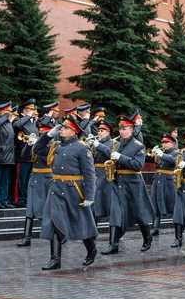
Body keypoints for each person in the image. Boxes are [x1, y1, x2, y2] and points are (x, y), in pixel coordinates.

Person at [33, 114, 97, 270]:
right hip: (56, 189)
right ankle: (55, 259)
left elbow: (89, 174)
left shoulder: (82, 148)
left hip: (73, 190)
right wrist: (48, 135)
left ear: (74, 131)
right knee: (54, 222)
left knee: (81, 223)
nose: (62, 129)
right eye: (62, 127)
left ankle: (91, 249)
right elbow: (38, 149)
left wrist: (89, 195)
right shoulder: (56, 146)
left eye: (65, 128)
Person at [100, 115, 154, 255]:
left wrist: (120, 157)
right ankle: (113, 244)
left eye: (124, 128)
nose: (121, 131)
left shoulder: (138, 146)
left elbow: (137, 166)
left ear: (131, 129)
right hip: (118, 183)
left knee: (139, 214)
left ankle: (147, 238)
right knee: (115, 213)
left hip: (133, 183)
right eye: (120, 128)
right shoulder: (116, 144)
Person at [17, 114, 57, 246]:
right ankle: (26, 237)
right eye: (40, 132)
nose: (41, 134)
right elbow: (23, 156)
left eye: (44, 132)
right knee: (30, 209)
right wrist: (29, 145)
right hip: (34, 178)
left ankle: (59, 234)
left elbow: (49, 158)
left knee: (52, 209)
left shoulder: (54, 145)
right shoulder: (37, 143)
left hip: (47, 178)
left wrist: (40, 144)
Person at [147, 133, 180, 236]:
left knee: (172, 205)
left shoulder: (176, 153)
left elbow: (175, 162)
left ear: (173, 143)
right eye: (163, 142)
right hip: (157, 181)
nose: (164, 144)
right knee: (155, 204)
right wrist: (152, 154)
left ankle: (178, 230)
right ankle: (155, 228)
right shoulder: (161, 153)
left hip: (168, 182)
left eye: (166, 142)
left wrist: (162, 155)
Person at [0, 102, 16, 208]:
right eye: (8, 111)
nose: (10, 113)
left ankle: (3, 200)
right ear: (2, 111)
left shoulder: (8, 123)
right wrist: (5, 117)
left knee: (4, 181)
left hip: (8, 156)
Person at [13, 99, 38, 207]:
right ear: (26, 110)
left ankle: (26, 197)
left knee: (28, 178)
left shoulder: (32, 122)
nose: (34, 112)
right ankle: (19, 199)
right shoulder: (20, 119)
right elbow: (16, 126)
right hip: (22, 154)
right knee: (21, 178)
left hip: (31, 154)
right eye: (32, 110)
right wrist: (27, 116)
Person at [88, 120, 114, 223]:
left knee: (107, 203)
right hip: (95, 175)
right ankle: (93, 230)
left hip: (106, 175)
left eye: (102, 131)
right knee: (94, 204)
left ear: (108, 132)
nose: (99, 133)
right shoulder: (95, 142)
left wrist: (98, 145)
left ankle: (116, 230)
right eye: (98, 130)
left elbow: (111, 153)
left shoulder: (113, 143)